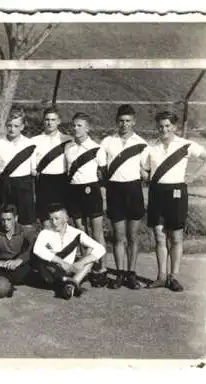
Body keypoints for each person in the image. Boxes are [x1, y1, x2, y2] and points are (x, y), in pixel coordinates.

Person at [142, 111, 206, 291]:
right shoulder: (151, 146)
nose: (164, 129)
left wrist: (193, 177)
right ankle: (161, 276)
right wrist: (144, 173)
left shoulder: (185, 145)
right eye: (161, 126)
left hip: (177, 192)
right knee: (159, 235)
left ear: (174, 127)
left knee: (176, 237)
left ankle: (173, 277)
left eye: (167, 126)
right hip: (157, 192)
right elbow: (145, 170)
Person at [98, 104, 148, 290]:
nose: (124, 124)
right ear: (116, 121)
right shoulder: (107, 141)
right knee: (118, 236)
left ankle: (131, 273)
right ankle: (119, 273)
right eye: (121, 121)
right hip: (115, 190)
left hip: (134, 190)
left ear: (134, 122)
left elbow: (146, 170)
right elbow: (102, 169)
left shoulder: (141, 143)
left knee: (133, 236)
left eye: (128, 121)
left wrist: (144, 172)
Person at [64, 112, 108, 287]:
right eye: (74, 125)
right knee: (81, 232)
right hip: (74, 191)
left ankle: (102, 269)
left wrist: (104, 199)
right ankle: (86, 268)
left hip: (92, 190)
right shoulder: (69, 149)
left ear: (88, 128)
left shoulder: (97, 149)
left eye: (80, 125)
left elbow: (103, 177)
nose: (76, 129)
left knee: (96, 232)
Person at [33, 203, 106, 300]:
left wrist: (81, 262)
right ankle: (71, 284)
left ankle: (72, 283)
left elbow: (101, 248)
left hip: (70, 270)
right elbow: (37, 249)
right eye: (51, 219)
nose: (54, 222)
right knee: (43, 263)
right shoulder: (45, 233)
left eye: (57, 219)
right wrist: (61, 262)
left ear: (66, 218)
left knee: (91, 249)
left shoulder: (76, 233)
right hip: (51, 272)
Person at [0, 204, 36, 298]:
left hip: (15, 264)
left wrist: (20, 260)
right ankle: (3, 284)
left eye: (9, 219)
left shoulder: (24, 231)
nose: (6, 223)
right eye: (3, 220)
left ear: (15, 218)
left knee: (30, 271)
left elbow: (34, 246)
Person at [0, 110, 37, 230]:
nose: (12, 129)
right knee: (4, 222)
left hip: (24, 185)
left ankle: (27, 248)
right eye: (10, 126)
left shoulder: (30, 144)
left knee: (26, 223)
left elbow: (33, 170)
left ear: (22, 127)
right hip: (5, 186)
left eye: (16, 126)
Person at [32, 107, 73, 228]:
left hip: (62, 181)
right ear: (43, 121)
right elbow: (33, 167)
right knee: (45, 218)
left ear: (59, 121)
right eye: (47, 119)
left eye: (53, 120)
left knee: (61, 218)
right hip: (43, 182)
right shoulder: (35, 140)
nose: (50, 123)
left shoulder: (67, 140)